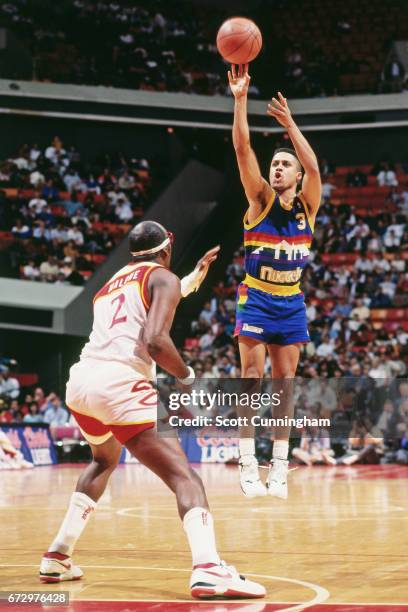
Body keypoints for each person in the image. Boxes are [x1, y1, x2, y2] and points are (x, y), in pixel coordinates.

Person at [39, 221, 265, 599]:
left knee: (103, 461)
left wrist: (191, 279)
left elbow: (146, 301)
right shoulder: (163, 277)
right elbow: (156, 340)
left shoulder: (110, 284)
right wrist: (187, 376)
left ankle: (58, 555)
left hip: (80, 384)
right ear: (167, 247)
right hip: (120, 384)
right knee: (185, 479)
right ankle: (208, 568)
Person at [228, 64, 321, 498]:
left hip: (291, 301)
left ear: (297, 175)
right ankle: (247, 462)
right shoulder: (260, 198)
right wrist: (241, 100)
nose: (279, 167)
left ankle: (278, 466)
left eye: (286, 163)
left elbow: (315, 167)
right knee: (252, 377)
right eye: (275, 163)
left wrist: (290, 125)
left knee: (286, 385)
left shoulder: (308, 205)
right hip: (257, 297)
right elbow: (243, 148)